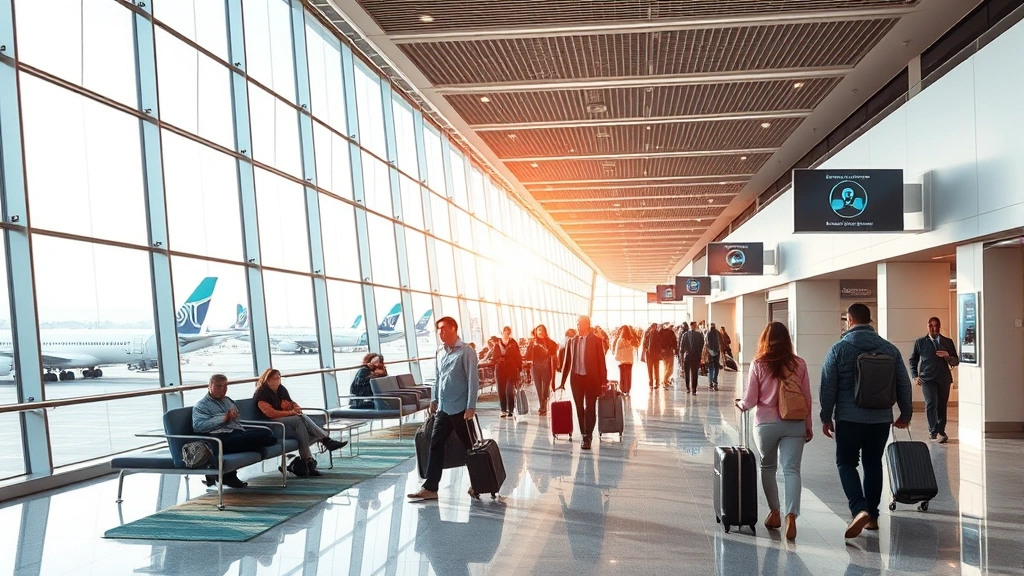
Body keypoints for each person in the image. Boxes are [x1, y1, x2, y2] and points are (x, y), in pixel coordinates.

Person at [820, 303, 913, 538]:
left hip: (849, 418)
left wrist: (825, 416)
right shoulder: (889, 349)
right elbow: (903, 382)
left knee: (846, 462)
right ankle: (872, 516)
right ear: (869, 320)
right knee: (873, 464)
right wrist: (906, 413)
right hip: (881, 419)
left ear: (849, 320)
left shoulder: (839, 349)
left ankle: (858, 509)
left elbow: (828, 385)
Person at [736, 322, 813, 540]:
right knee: (792, 470)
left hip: (766, 423)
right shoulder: (800, 364)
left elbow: (750, 400)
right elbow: (806, 397)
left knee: (767, 467)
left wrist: (741, 405)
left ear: (765, 340)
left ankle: (775, 512)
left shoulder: (759, 363)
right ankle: (791, 515)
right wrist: (807, 425)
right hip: (794, 421)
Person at [407, 316, 479, 501]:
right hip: (444, 408)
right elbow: (438, 378)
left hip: (461, 410)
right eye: (439, 329)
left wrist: (470, 407)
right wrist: (434, 399)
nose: (441, 332)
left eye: (444, 329)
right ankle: (431, 487)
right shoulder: (441, 352)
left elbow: (473, 381)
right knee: (435, 443)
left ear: (454, 329)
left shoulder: (466, 352)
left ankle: (479, 482)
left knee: (470, 447)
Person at [254, 368, 347, 477]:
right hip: (272, 424)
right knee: (300, 419)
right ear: (268, 380)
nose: (279, 379)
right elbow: (270, 413)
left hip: (287, 423)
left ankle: (307, 462)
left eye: (279, 377)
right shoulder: (262, 393)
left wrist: (296, 408)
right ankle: (325, 440)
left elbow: (292, 402)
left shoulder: (281, 389)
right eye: (276, 378)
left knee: (302, 426)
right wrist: (290, 412)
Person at [192, 373, 278, 488]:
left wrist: (234, 416)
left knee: (269, 436)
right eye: (219, 386)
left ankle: (226, 475)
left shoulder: (228, 401)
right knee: (266, 436)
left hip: (235, 433)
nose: (223, 390)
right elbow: (198, 426)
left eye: (225, 386)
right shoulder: (201, 406)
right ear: (210, 386)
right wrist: (223, 418)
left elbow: (237, 420)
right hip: (219, 438)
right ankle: (227, 475)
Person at [559, 315, 608, 450]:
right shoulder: (572, 341)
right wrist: (562, 382)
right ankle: (584, 435)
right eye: (577, 323)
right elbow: (567, 363)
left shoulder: (596, 341)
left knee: (590, 407)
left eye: (580, 323)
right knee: (579, 408)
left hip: (592, 379)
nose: (578, 326)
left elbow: (601, 362)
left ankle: (589, 434)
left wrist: (604, 381)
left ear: (587, 324)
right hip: (577, 380)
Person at [909, 317, 959, 443]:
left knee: (942, 405)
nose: (934, 328)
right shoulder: (920, 342)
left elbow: (956, 361)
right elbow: (913, 360)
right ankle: (933, 430)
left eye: (936, 326)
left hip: (943, 378)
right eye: (931, 326)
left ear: (940, 327)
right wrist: (915, 376)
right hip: (927, 378)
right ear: (927, 327)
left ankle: (941, 431)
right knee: (931, 403)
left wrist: (947, 356)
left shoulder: (947, 342)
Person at [524, 324, 559, 416]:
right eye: (538, 330)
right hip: (535, 367)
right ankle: (542, 405)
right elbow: (527, 355)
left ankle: (543, 405)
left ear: (545, 331)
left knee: (545, 388)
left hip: (546, 366)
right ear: (535, 331)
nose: (540, 331)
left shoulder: (549, 342)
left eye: (542, 330)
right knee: (538, 388)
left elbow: (555, 348)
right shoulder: (532, 342)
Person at [493, 326, 523, 418]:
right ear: (502, 332)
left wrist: (519, 368)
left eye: (508, 331)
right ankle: (503, 410)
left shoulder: (513, 343)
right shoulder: (497, 343)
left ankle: (511, 409)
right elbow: (494, 356)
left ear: (510, 332)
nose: (506, 333)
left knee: (509, 390)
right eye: (504, 331)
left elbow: (518, 356)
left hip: (511, 369)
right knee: (501, 390)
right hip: (500, 369)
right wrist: (498, 360)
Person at [613, 324, 638, 396]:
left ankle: (623, 388)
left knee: (622, 375)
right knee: (628, 375)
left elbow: (617, 349)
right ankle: (628, 389)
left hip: (622, 360)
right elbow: (635, 347)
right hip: (630, 360)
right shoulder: (631, 338)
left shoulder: (620, 339)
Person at [680, 321, 704, 394]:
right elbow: (702, 345)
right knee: (694, 373)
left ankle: (688, 388)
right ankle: (694, 389)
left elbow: (681, 346)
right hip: (696, 356)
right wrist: (699, 353)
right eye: (695, 325)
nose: (696, 326)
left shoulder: (685, 335)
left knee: (687, 373)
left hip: (687, 356)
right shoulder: (699, 335)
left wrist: (681, 356)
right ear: (693, 326)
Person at [641, 323, 660, 388]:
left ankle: (657, 383)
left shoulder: (658, 333)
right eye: (654, 326)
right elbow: (644, 342)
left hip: (656, 354)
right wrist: (645, 350)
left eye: (655, 327)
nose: (655, 328)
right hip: (649, 354)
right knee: (650, 369)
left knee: (656, 369)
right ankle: (651, 383)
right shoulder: (647, 333)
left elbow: (660, 343)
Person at [659, 323, 678, 388]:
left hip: (663, 351)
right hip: (669, 351)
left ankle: (665, 381)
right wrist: (675, 350)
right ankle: (665, 380)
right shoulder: (671, 333)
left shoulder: (661, 332)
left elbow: (658, 341)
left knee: (666, 366)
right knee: (670, 368)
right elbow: (674, 342)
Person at [705, 322, 722, 390]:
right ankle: (715, 381)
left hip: (710, 353)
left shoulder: (708, 333)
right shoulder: (718, 333)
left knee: (710, 368)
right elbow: (720, 342)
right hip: (717, 352)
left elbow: (706, 343)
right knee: (716, 367)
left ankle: (710, 383)